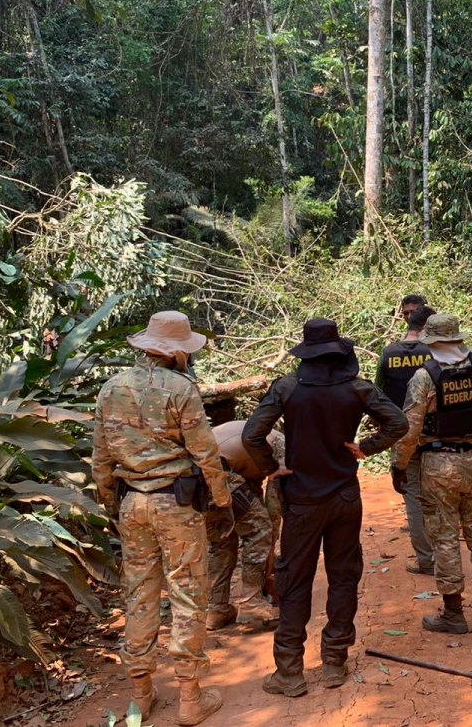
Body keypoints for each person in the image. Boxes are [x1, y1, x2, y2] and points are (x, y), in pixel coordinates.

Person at [242, 318, 408, 697]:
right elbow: (398, 421)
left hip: (302, 499)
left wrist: (271, 467)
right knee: (343, 575)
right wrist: (367, 446)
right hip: (346, 497)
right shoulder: (358, 388)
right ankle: (335, 660)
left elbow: (252, 435)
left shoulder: (286, 388)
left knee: (295, 581)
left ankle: (289, 671)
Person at [92, 310, 231, 726]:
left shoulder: (110, 388)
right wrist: (221, 499)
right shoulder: (181, 389)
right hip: (177, 504)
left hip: (131, 503)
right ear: (177, 353)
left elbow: (101, 457)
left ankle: (141, 693)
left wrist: (109, 503)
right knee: (187, 592)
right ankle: (190, 697)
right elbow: (205, 452)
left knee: (139, 593)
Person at [393, 312, 472, 632]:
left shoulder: (424, 377)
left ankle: (454, 613)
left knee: (444, 538)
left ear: (431, 342)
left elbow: (410, 430)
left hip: (437, 466)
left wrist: (399, 465)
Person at [205, 421, 284, 631]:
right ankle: (250, 601)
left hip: (191, 477)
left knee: (222, 540)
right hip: (217, 472)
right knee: (260, 529)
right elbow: (273, 510)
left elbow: (253, 489)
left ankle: (216, 608)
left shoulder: (264, 439)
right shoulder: (283, 446)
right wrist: (268, 553)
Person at [375, 304, 436, 574]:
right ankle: (444, 557)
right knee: (436, 496)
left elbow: (377, 395)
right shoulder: (435, 353)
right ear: (428, 326)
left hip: (400, 435)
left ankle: (426, 560)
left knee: (413, 498)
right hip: (433, 435)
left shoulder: (388, 353)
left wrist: (386, 429)